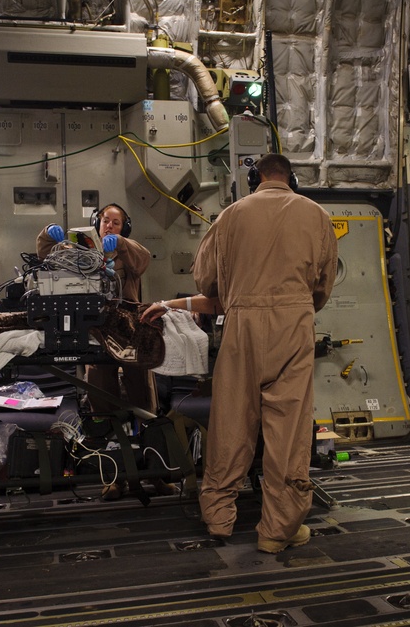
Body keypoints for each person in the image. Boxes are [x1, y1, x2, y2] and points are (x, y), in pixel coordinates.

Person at [191, 153, 338, 553]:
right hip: (294, 325)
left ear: (255, 177)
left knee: (231, 421)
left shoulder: (230, 215)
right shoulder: (317, 216)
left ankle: (219, 518)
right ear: (292, 178)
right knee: (288, 430)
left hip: (241, 326)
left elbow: (206, 281)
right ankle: (277, 530)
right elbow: (323, 286)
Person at [38, 203, 169, 500]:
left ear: (125, 228)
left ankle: (156, 476)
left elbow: (143, 258)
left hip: (131, 337)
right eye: (105, 221)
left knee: (145, 410)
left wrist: (120, 245)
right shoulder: (80, 252)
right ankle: (115, 479)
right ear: (96, 224)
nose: (109, 226)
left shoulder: (128, 252)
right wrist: (48, 233)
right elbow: (44, 253)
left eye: (117, 223)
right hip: (96, 337)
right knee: (102, 413)